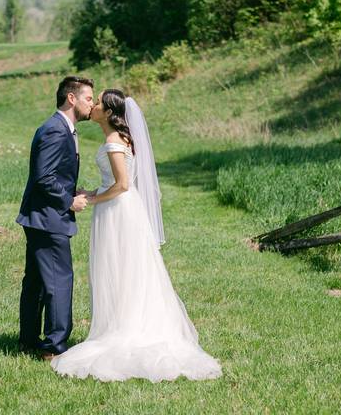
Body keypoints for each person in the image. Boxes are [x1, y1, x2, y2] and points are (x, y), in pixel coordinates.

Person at [51, 89, 222, 382]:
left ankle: (125, 327)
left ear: (109, 113)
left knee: (121, 269)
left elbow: (122, 184)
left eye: (99, 102)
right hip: (118, 208)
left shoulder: (114, 141)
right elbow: (113, 183)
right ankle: (122, 320)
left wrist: (91, 201)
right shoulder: (117, 139)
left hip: (118, 211)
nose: (92, 106)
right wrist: (93, 191)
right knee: (124, 269)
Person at [15, 76, 94, 360]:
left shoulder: (63, 129)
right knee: (59, 280)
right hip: (48, 217)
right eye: (88, 98)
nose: (92, 104)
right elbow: (43, 176)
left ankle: (28, 340)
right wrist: (69, 201)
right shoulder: (55, 130)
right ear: (71, 98)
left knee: (36, 280)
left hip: (41, 217)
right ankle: (54, 347)